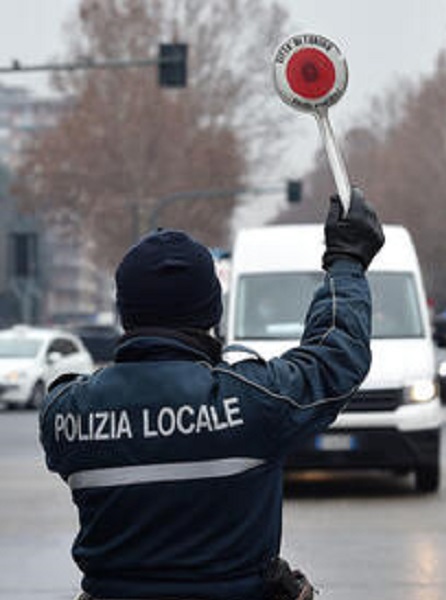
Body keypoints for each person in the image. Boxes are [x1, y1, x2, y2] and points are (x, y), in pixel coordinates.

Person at [39, 189, 384, 600]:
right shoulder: (255, 401)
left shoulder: (66, 413)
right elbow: (333, 357)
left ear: (125, 312)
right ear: (212, 313)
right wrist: (347, 262)